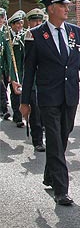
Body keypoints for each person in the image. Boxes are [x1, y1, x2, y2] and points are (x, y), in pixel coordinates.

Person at [20, 0, 80, 206]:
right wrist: (24, 102)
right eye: (63, 6)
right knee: (54, 139)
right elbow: (29, 72)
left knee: (63, 137)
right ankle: (61, 189)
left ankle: (49, 174)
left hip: (70, 96)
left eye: (67, 5)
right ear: (51, 9)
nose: (67, 9)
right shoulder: (35, 36)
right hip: (47, 98)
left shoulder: (76, 32)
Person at [12, 8, 46, 151]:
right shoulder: (21, 40)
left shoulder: (47, 37)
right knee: (36, 113)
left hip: (45, 82)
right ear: (29, 22)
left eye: (39, 20)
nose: (37, 23)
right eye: (34, 21)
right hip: (30, 82)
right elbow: (17, 63)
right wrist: (15, 79)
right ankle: (37, 140)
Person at [5, 10, 26, 128]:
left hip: (23, 69)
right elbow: (5, 57)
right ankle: (17, 117)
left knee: (23, 92)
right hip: (12, 69)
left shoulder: (24, 35)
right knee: (15, 93)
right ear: (12, 25)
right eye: (17, 24)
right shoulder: (6, 37)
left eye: (21, 23)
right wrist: (8, 73)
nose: (20, 26)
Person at [0, 7, 11, 119]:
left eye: (2, 17)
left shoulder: (6, 32)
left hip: (5, 66)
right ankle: (4, 109)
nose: (1, 19)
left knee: (5, 86)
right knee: (1, 88)